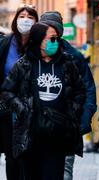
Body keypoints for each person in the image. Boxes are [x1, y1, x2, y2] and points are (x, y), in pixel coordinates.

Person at [1, 21, 86, 179]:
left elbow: (80, 90)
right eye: (51, 38)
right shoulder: (24, 64)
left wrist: (71, 111)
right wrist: (23, 110)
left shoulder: (67, 63)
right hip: (31, 134)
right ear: (39, 40)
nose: (56, 42)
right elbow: (6, 91)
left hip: (58, 134)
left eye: (57, 39)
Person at [40, 11, 97, 180]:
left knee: (64, 171)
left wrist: (85, 118)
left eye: (53, 30)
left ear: (59, 32)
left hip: (67, 126)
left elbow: (88, 89)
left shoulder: (74, 57)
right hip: (39, 127)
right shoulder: (31, 56)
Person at [0, 5, 38, 180]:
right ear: (15, 20)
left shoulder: (40, 44)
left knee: (29, 156)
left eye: (30, 17)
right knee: (11, 155)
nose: (25, 20)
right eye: (22, 16)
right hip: (6, 108)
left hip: (33, 109)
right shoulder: (6, 43)